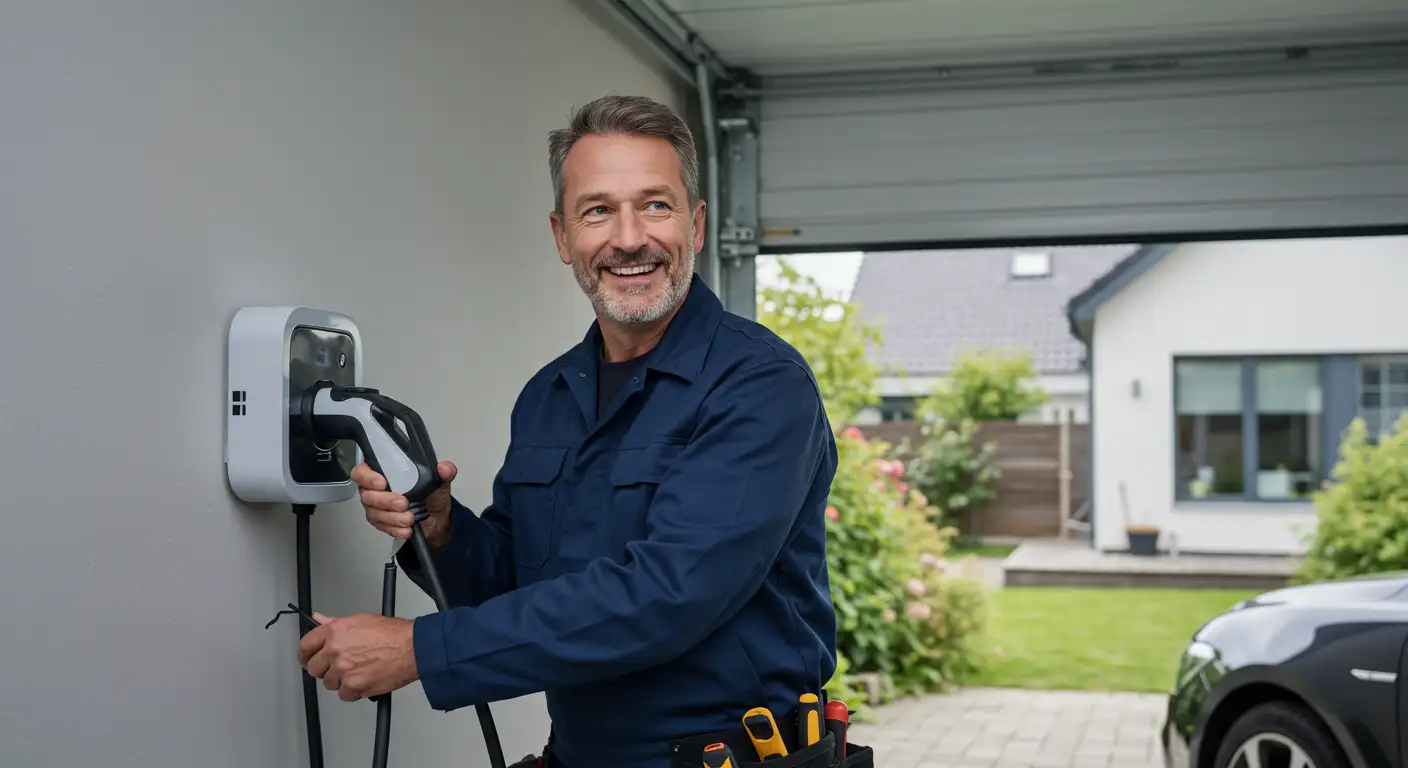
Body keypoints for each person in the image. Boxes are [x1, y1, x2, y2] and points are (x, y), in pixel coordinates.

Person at [298, 94, 839, 768]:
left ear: (696, 226)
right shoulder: (550, 396)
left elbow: (669, 594)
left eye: (656, 205)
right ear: (563, 237)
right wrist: (442, 528)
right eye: (598, 210)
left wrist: (418, 650)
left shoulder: (759, 385)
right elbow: (522, 585)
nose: (630, 237)